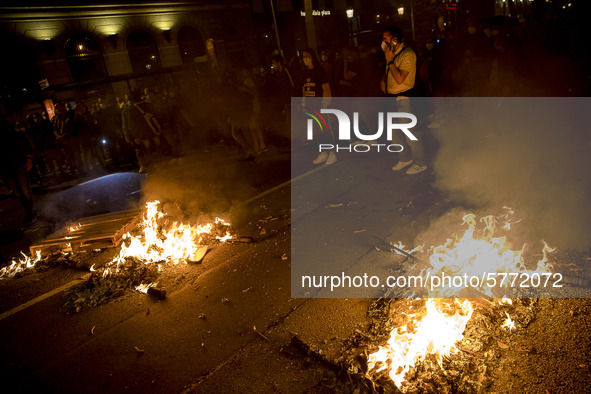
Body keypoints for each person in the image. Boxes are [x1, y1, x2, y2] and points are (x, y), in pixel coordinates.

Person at [381, 25, 428, 175]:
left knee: (409, 132)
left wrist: (390, 61)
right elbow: (388, 73)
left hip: (404, 99)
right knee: (393, 132)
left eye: (385, 39)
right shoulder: (392, 54)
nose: (383, 42)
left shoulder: (407, 54)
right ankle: (405, 158)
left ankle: (421, 163)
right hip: (392, 99)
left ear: (395, 40)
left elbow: (400, 78)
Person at [301, 48, 336, 165]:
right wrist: (303, 101)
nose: (304, 58)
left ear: (311, 57)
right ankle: (323, 152)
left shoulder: (319, 70)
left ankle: (332, 153)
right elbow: (305, 88)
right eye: (303, 56)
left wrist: (325, 103)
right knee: (315, 131)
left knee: (324, 129)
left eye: (306, 56)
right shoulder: (305, 72)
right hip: (310, 105)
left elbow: (326, 87)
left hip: (319, 104)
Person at [0, 118, 36, 225]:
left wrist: (28, 159)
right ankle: (28, 210)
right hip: (5, 168)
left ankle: (31, 212)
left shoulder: (12, 134)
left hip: (18, 165)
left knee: (25, 190)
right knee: (18, 192)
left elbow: (24, 145)